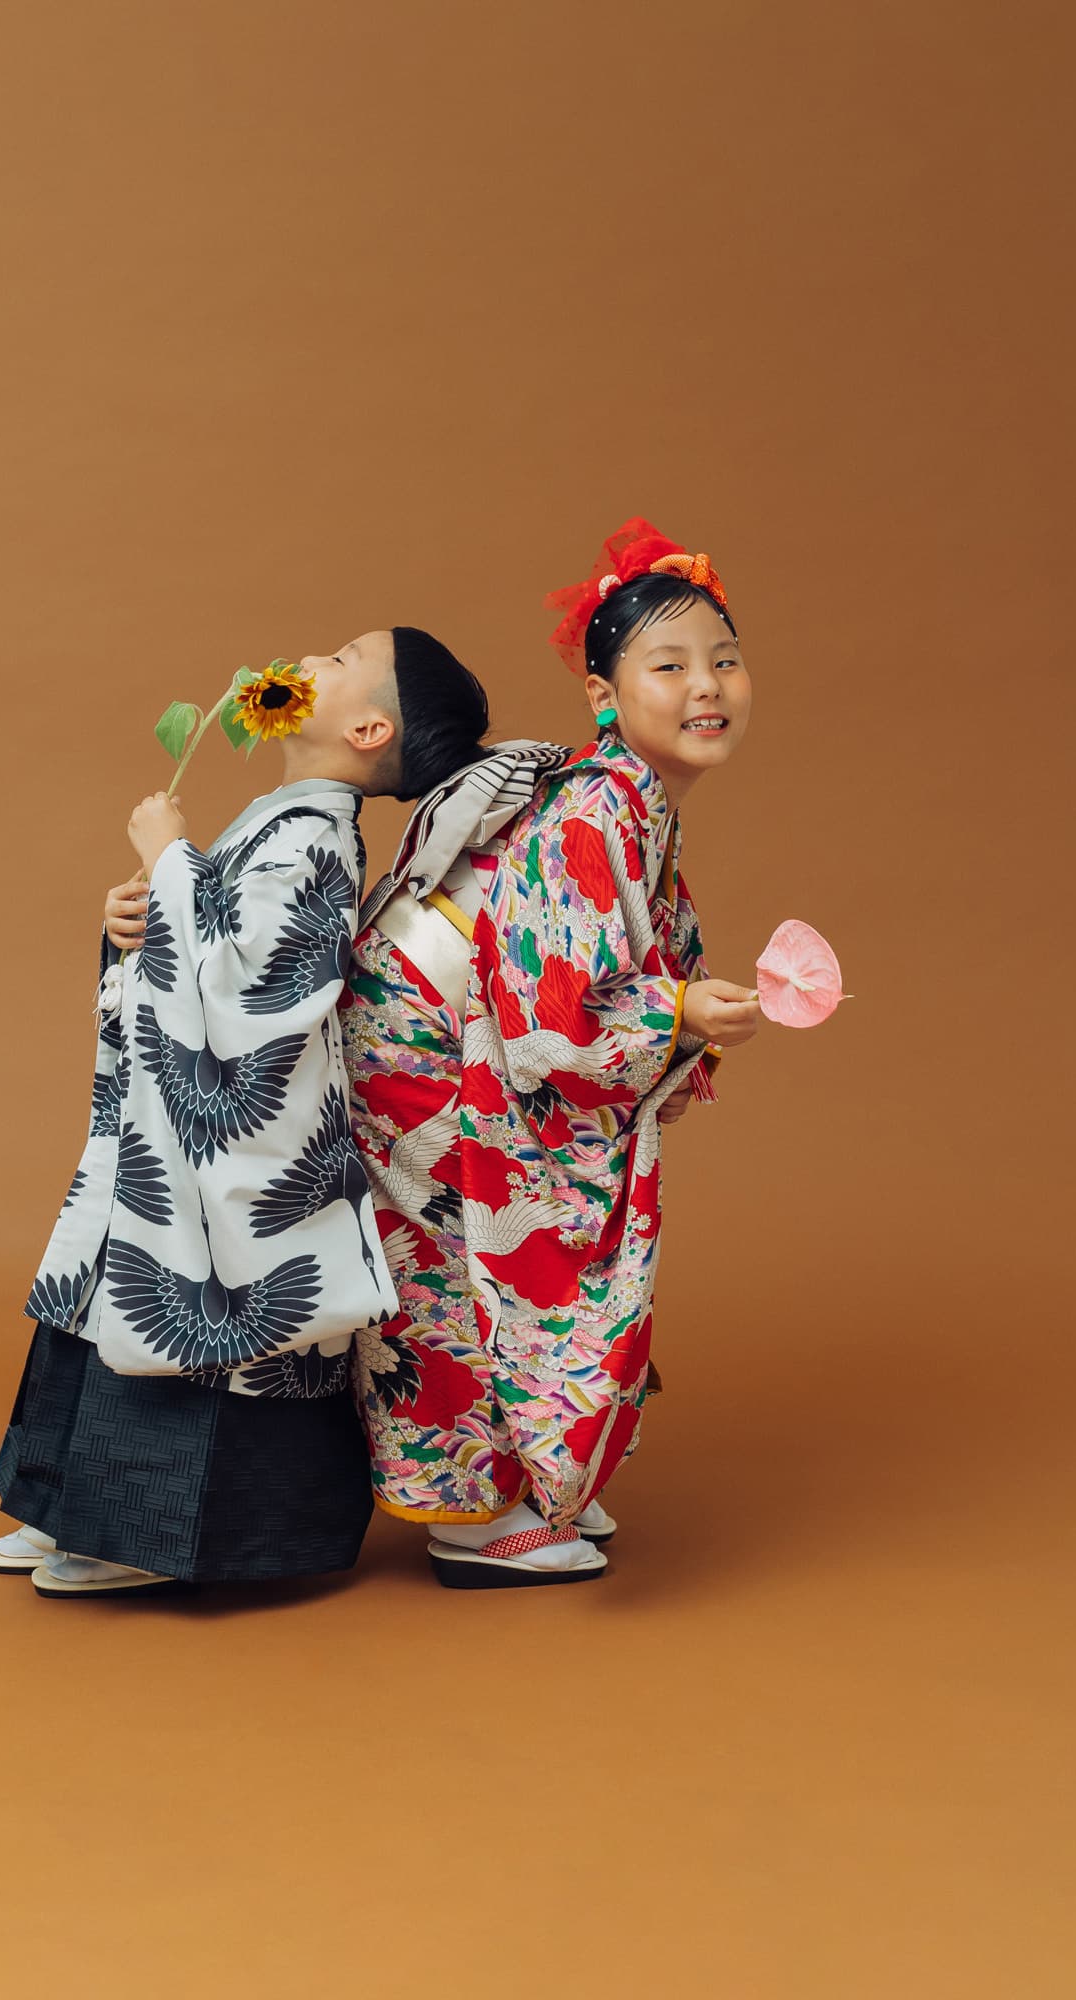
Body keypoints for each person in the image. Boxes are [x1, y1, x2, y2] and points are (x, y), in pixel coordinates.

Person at [0, 627, 490, 1597]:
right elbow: (206, 950)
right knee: (120, 1285)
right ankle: (70, 1506)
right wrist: (133, 925)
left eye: (343, 660)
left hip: (239, 1139)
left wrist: (170, 855)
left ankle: (138, 1538)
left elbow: (252, 989)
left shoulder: (317, 837)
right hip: (173, 1127)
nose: (313, 661)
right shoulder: (281, 821)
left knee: (202, 1306)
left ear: (369, 728)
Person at [342, 519, 761, 1586]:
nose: (705, 686)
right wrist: (677, 1013)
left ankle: (535, 1474)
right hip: (428, 1048)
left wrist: (679, 1021)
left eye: (722, 660)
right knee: (454, 1264)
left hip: (453, 1024)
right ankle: (476, 1516)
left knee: (483, 1255)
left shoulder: (628, 800)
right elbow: (549, 1020)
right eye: (669, 665)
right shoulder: (592, 808)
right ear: (602, 694)